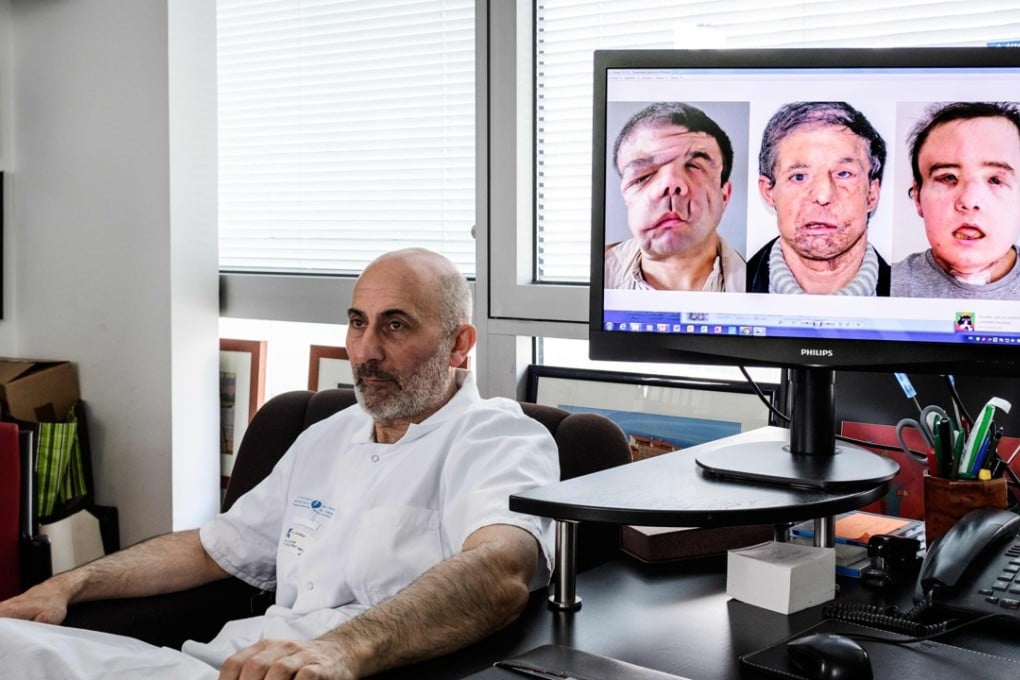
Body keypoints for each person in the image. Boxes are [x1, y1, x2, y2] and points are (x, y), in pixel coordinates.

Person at [0, 248, 559, 680]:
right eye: (357, 322)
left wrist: (344, 649)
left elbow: (499, 570)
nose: (365, 351)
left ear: (459, 344)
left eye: (395, 325)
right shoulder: (325, 435)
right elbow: (211, 548)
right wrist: (70, 585)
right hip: (218, 664)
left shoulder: (498, 437)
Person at [747, 101, 890, 295]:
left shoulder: (912, 297)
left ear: (872, 194)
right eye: (799, 177)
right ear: (768, 192)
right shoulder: (725, 291)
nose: (823, 196)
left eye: (844, 174)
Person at [605, 101, 745, 292]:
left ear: (724, 196)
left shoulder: (765, 283)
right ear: (626, 196)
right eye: (643, 176)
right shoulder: (595, 274)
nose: (670, 184)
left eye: (694, 167)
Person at [891, 101, 1020, 299]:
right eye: (948, 177)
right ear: (917, 197)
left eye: (995, 180)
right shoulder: (882, 286)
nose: (969, 201)